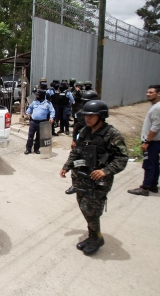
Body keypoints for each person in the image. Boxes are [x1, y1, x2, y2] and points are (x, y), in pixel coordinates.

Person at [60, 100, 128, 255]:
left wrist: (106, 170)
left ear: (101, 116)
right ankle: (92, 236)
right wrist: (67, 166)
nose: (87, 118)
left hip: (99, 180)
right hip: (83, 178)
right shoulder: (85, 131)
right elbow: (76, 152)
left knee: (91, 210)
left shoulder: (112, 134)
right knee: (84, 207)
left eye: (91, 116)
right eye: (86, 115)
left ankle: (97, 238)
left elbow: (122, 158)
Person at [128, 85, 160, 196]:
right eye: (147, 92)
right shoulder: (158, 106)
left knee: (149, 164)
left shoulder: (158, 108)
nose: (148, 94)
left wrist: (146, 142)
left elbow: (155, 127)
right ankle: (153, 185)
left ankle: (145, 188)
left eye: (151, 92)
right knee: (154, 163)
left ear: (159, 93)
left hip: (152, 142)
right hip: (156, 141)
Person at [65, 90, 99, 195]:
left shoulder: (99, 113)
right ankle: (75, 185)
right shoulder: (79, 114)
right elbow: (76, 127)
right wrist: (74, 140)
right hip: (81, 142)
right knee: (76, 163)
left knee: (92, 164)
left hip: (94, 144)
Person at [24, 90, 55, 154]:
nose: (37, 96)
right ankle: (28, 149)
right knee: (30, 136)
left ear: (42, 95)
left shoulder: (48, 103)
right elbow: (30, 108)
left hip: (42, 123)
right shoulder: (34, 102)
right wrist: (28, 113)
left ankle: (36, 149)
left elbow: (52, 111)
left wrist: (51, 118)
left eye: (38, 95)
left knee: (39, 137)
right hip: (33, 122)